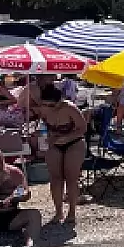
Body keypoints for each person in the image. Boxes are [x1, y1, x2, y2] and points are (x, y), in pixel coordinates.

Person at [37, 84, 87, 225]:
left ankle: (72, 212)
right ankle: (58, 212)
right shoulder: (43, 109)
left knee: (71, 178)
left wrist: (66, 138)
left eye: (51, 105)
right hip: (54, 143)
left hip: (74, 142)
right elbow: (42, 127)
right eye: (45, 104)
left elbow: (82, 128)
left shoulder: (69, 108)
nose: (48, 107)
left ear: (59, 102)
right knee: (55, 178)